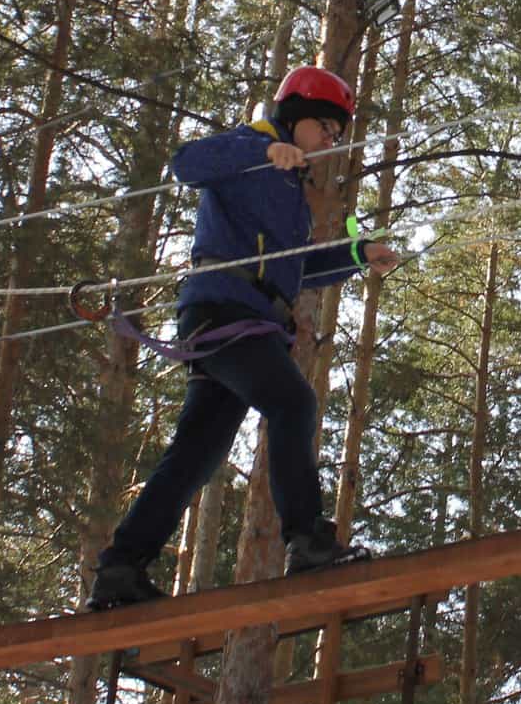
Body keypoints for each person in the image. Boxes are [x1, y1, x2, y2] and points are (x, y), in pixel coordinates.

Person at [89, 66, 400, 609]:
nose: (330, 140)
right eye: (325, 126)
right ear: (295, 115)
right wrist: (262, 151)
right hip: (224, 310)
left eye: (337, 133)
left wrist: (356, 254)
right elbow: (187, 164)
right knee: (292, 402)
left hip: (248, 320)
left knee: (197, 453)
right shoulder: (253, 145)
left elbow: (294, 269)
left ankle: (121, 567)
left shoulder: (288, 192)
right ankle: (305, 538)